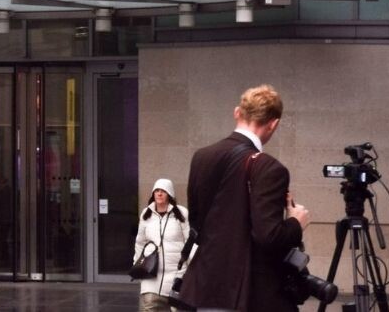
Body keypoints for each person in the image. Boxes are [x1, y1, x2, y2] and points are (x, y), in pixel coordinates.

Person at [174, 84, 311, 312]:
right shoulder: (270, 168)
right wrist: (296, 222)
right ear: (273, 123)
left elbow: (196, 223)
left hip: (205, 286)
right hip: (250, 293)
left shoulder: (201, 157)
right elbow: (269, 236)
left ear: (237, 112)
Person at [133, 178, 191, 312]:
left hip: (176, 277)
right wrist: (138, 265)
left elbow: (189, 243)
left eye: (163, 191)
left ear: (169, 194)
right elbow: (140, 242)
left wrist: (189, 268)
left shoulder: (181, 213)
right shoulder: (146, 214)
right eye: (157, 190)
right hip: (151, 277)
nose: (159, 194)